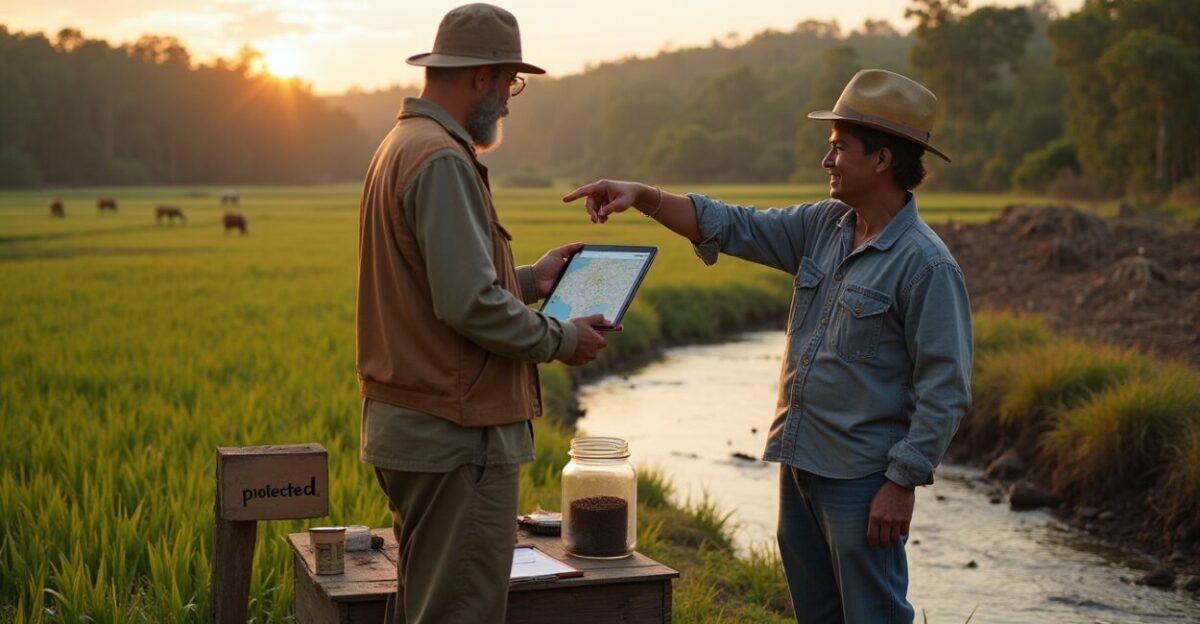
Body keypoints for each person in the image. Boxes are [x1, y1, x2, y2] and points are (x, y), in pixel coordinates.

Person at [563, 69, 973, 623]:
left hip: (861, 482)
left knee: (873, 614)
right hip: (798, 465)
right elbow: (732, 225)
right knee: (816, 614)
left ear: (881, 160)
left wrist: (901, 483)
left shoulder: (927, 266)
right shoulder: (824, 226)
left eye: (839, 149)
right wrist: (642, 196)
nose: (827, 161)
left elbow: (945, 389)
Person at [355, 4, 610, 622]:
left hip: (417, 426)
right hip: (457, 436)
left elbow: (440, 290)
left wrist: (528, 280)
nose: (510, 100)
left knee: (427, 603)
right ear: (481, 78)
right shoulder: (441, 158)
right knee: (459, 611)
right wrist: (560, 337)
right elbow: (468, 304)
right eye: (509, 84)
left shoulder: (404, 144)